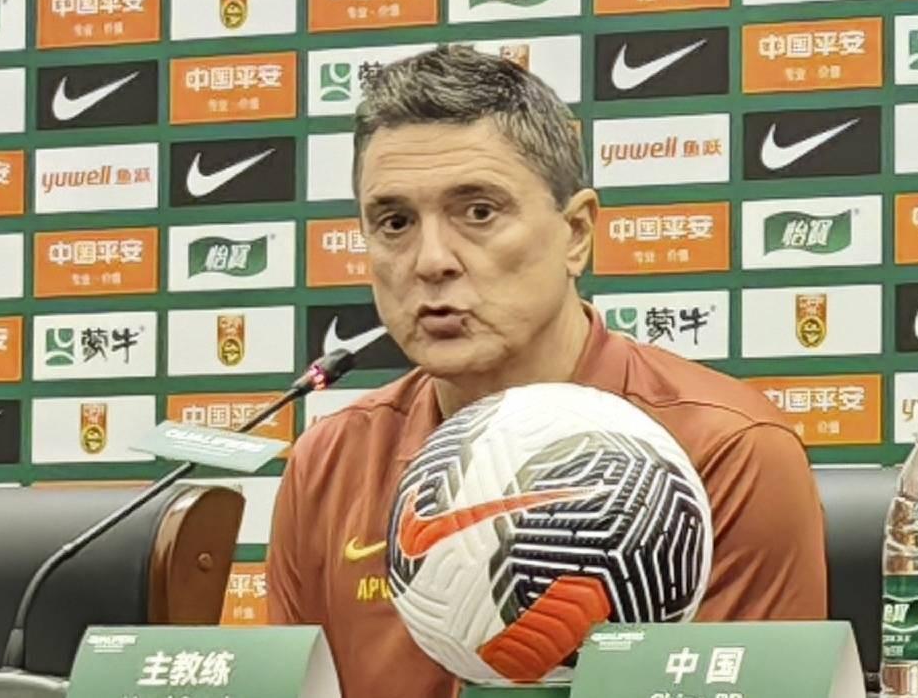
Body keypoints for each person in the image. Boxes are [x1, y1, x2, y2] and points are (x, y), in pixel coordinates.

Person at [267, 44, 827, 698]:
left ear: (577, 233)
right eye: (394, 222)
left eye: (479, 212)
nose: (431, 260)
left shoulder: (726, 452)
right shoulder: (327, 465)